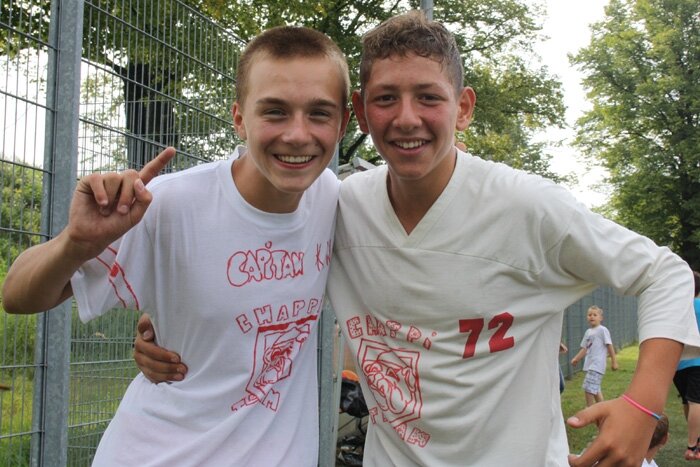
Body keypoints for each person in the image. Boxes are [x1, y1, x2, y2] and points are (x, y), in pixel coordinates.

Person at [134, 11, 700, 467]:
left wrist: (642, 403)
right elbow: (267, 270)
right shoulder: (339, 207)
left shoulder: (527, 206)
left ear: (463, 107)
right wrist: (170, 322)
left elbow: (665, 273)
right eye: (386, 98)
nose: (407, 118)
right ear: (360, 112)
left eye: (428, 97)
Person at [1, 25, 350, 466]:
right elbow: (17, 294)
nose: (297, 134)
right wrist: (76, 243)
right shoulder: (168, 203)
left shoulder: (336, 202)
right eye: (275, 112)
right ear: (239, 118)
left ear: (343, 123)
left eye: (319, 113)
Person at [673, 270, 700, 461]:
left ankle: (695, 438)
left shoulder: (678, 307)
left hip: (678, 363)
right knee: (696, 402)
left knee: (687, 401)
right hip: (698, 361)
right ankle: (693, 446)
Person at [571, 305, 619, 407]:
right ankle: (602, 411)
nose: (591, 316)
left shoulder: (602, 330)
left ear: (601, 318)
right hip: (590, 365)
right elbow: (585, 348)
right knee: (596, 390)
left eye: (594, 315)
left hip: (597, 365)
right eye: (589, 315)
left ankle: (589, 409)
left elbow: (609, 345)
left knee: (588, 388)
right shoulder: (588, 332)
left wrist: (614, 361)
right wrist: (576, 358)